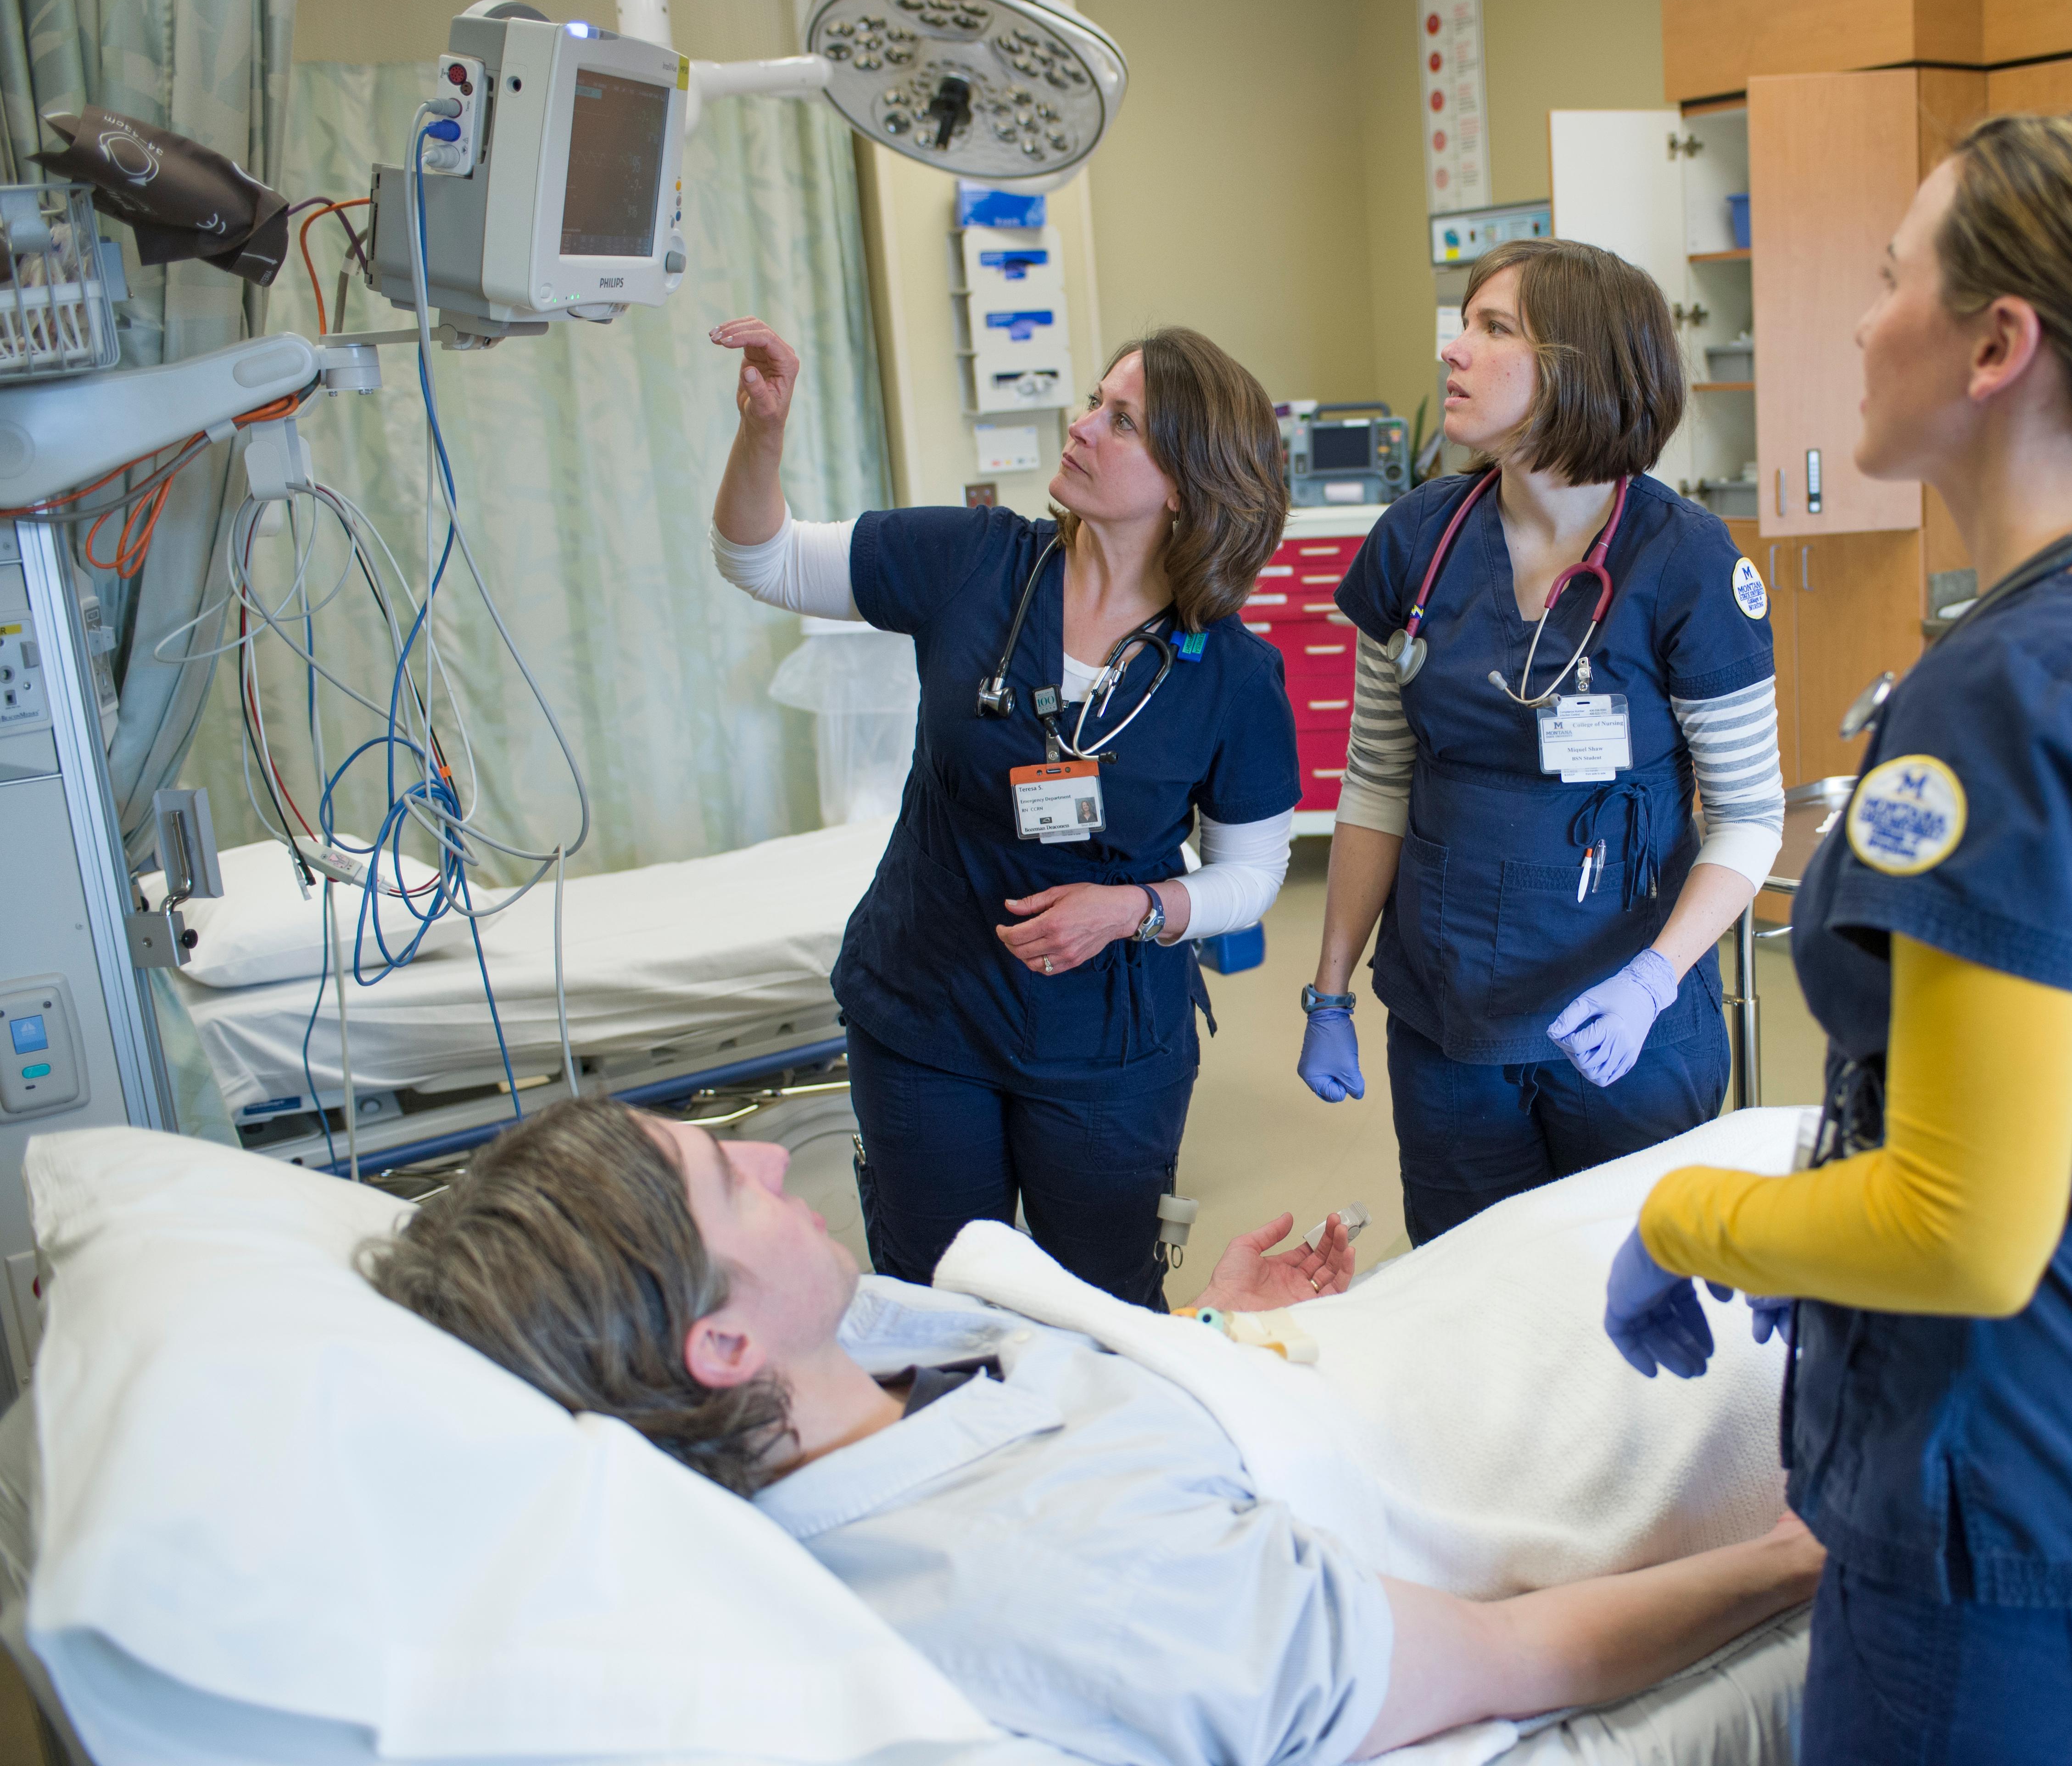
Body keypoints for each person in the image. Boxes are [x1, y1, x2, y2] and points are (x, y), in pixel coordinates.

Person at [1599, 104, 2072, 1764]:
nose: (1861, 325)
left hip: (2029, 1527)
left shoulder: (2006, 692)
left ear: (1997, 343)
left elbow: (1963, 1232)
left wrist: (1692, 1214)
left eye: (1887, 281)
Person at [362, 1098, 1825, 1766]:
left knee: (1776, 1146)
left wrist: (1207, 1339)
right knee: (1846, 1217)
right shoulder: (1069, 1585)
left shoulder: (838, 1368)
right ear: (722, 1345)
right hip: (1515, 1433)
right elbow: (1521, 1657)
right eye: (728, 1186)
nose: (763, 1150)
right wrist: (1806, 1562)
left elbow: (1040, 1413)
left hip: (1361, 1349)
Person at [707, 320, 1300, 1308]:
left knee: (1100, 1307)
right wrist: (763, 431)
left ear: (1188, 486)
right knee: (936, 1302)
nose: (1081, 427)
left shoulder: (1233, 674)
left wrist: (1134, 910)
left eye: (1121, 422)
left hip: (1106, 1048)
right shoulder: (974, 563)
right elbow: (759, 560)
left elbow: (1252, 875)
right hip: (923, 1014)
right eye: (1093, 402)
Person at [1301, 239, 1783, 1243]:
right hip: (1447, 1019)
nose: (1453, 350)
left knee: (1632, 1301)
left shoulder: (1685, 562)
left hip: (1628, 1022)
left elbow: (1749, 814)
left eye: (1492, 328)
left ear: (1577, 364)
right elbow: (1377, 783)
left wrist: (1654, 982)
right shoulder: (1415, 543)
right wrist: (1330, 989)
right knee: (1470, 1295)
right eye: (1461, 322)